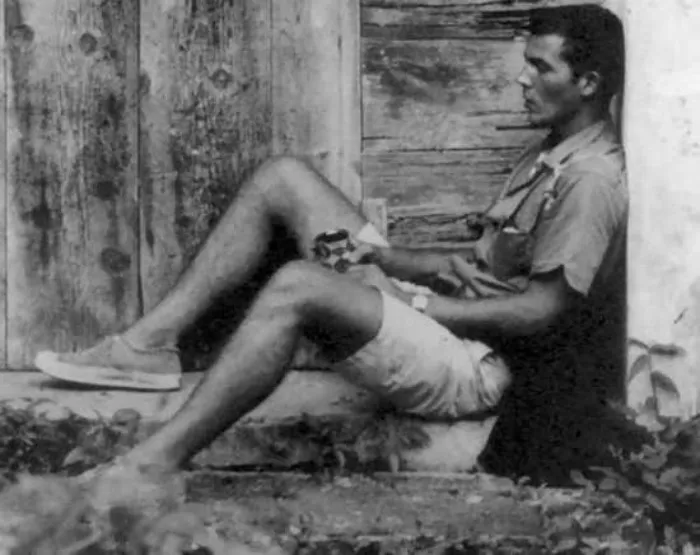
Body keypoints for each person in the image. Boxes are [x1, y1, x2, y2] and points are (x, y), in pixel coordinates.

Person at [35, 4, 627, 484]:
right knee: (284, 178)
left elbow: (542, 311)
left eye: (541, 68)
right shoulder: (551, 151)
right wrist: (386, 260)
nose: (523, 78)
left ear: (589, 83)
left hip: (474, 365)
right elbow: (476, 265)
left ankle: (148, 466)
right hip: (447, 325)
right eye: (526, 64)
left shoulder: (589, 181)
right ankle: (147, 347)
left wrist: (424, 304)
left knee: (296, 286)